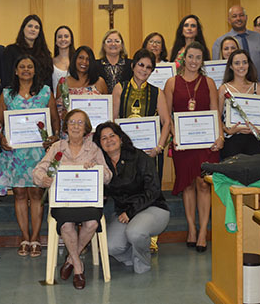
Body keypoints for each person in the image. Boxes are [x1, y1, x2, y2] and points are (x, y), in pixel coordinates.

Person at [32, 109, 112, 290]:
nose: (76, 126)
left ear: (87, 129)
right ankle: (78, 267)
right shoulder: (56, 147)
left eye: (80, 123)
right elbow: (38, 170)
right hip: (64, 203)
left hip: (87, 202)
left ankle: (70, 259)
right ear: (66, 127)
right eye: (72, 122)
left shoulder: (93, 149)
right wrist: (43, 179)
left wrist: (97, 168)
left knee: (92, 223)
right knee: (66, 224)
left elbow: (108, 176)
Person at [0, 55, 60, 258]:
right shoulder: (6, 94)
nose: (25, 69)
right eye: (21, 66)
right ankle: (25, 238)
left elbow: (55, 121)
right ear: (15, 71)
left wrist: (54, 137)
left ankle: (36, 238)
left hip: (38, 153)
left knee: (36, 195)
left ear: (34, 70)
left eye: (29, 66)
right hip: (14, 154)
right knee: (20, 194)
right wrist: (1, 138)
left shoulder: (45, 92)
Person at [163, 41, 222, 251]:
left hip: (206, 143)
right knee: (187, 184)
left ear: (202, 61)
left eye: (198, 57)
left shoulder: (209, 83)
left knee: (204, 184)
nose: (194, 61)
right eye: (190, 57)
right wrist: (173, 136)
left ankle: (203, 230)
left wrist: (220, 137)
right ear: (183, 59)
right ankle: (191, 229)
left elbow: (215, 112)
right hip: (183, 143)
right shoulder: (171, 83)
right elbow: (167, 116)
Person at [112, 48, 172, 253]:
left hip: (149, 154)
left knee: (150, 191)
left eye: (148, 67)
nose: (144, 70)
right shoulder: (120, 88)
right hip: (125, 155)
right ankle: (128, 235)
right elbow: (113, 122)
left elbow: (166, 122)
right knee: (129, 191)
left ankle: (150, 237)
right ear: (133, 65)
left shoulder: (157, 92)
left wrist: (160, 147)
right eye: (141, 65)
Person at [93, 122, 169, 274]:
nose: (109, 140)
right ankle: (133, 257)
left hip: (153, 208)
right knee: (109, 246)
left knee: (135, 233)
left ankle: (143, 264)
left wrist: (131, 212)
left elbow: (153, 191)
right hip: (124, 213)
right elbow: (103, 193)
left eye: (112, 136)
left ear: (121, 138)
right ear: (99, 144)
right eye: (103, 138)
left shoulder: (139, 157)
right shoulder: (102, 164)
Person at [218, 49, 260, 159]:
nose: (241, 66)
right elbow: (218, 118)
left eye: (244, 62)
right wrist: (228, 130)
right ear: (231, 66)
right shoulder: (224, 89)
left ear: (249, 65)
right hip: (232, 142)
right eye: (237, 63)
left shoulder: (257, 88)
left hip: (254, 140)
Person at [212, 5, 260, 82]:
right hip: (232, 90)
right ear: (229, 20)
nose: (238, 18)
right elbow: (216, 70)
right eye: (234, 16)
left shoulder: (258, 38)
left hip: (259, 87)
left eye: (241, 15)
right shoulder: (220, 42)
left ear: (246, 17)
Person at [55, 46, 108, 123]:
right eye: (81, 58)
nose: (84, 62)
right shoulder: (63, 83)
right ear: (75, 59)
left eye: (88, 59)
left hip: (93, 130)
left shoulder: (100, 82)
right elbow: (57, 111)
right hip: (69, 131)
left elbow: (106, 109)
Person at [1, 14, 53, 91]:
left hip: (40, 96)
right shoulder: (10, 50)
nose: (33, 29)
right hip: (16, 96)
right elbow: (6, 78)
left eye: (36, 27)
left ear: (39, 32)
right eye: (30, 26)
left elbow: (48, 80)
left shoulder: (45, 53)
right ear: (23, 29)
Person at [52, 25, 76, 91]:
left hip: (74, 99)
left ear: (71, 40)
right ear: (56, 41)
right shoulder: (50, 62)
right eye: (59, 37)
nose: (63, 39)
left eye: (66, 36)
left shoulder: (77, 62)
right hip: (55, 100)